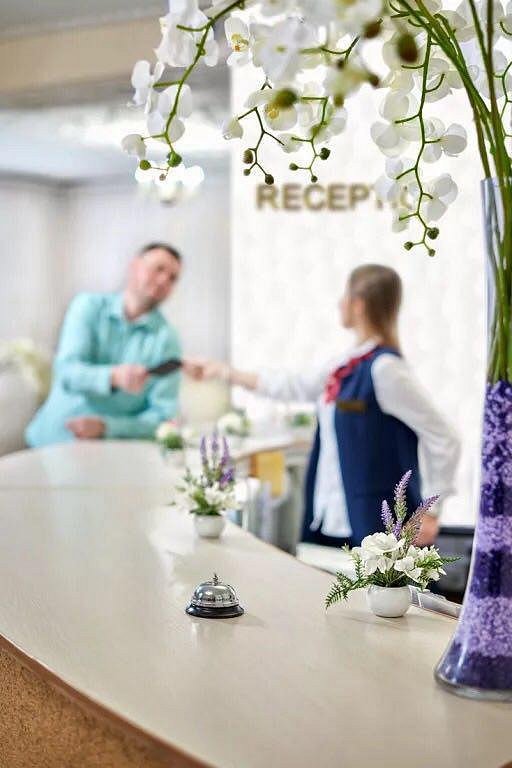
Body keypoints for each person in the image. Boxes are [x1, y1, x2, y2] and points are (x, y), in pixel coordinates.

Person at [193, 264, 460, 547]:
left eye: (345, 295)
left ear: (358, 304)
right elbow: (292, 385)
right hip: (328, 517)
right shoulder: (344, 365)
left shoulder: (385, 369)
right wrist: (224, 372)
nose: (339, 303)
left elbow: (445, 437)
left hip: (373, 522)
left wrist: (432, 511)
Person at [26, 242, 186, 447]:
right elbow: (67, 371)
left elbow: (163, 417)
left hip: (111, 452)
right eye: (158, 269)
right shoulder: (87, 306)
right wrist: (113, 376)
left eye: (173, 278)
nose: (164, 280)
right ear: (134, 266)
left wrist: (107, 426)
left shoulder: (168, 340)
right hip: (52, 442)